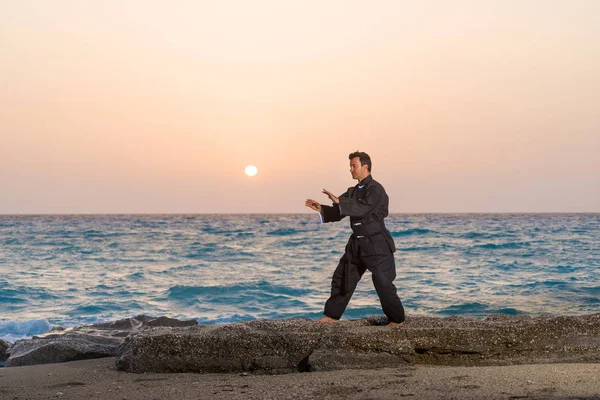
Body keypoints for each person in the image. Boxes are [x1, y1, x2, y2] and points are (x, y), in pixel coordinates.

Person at [305, 151, 405, 327]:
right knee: (343, 278)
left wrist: (340, 201)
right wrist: (321, 208)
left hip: (377, 244)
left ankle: (396, 320)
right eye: (350, 166)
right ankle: (331, 316)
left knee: (383, 282)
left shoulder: (376, 189)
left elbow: (362, 208)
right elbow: (340, 211)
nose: (350, 169)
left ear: (365, 167)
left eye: (354, 166)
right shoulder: (352, 191)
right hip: (356, 245)